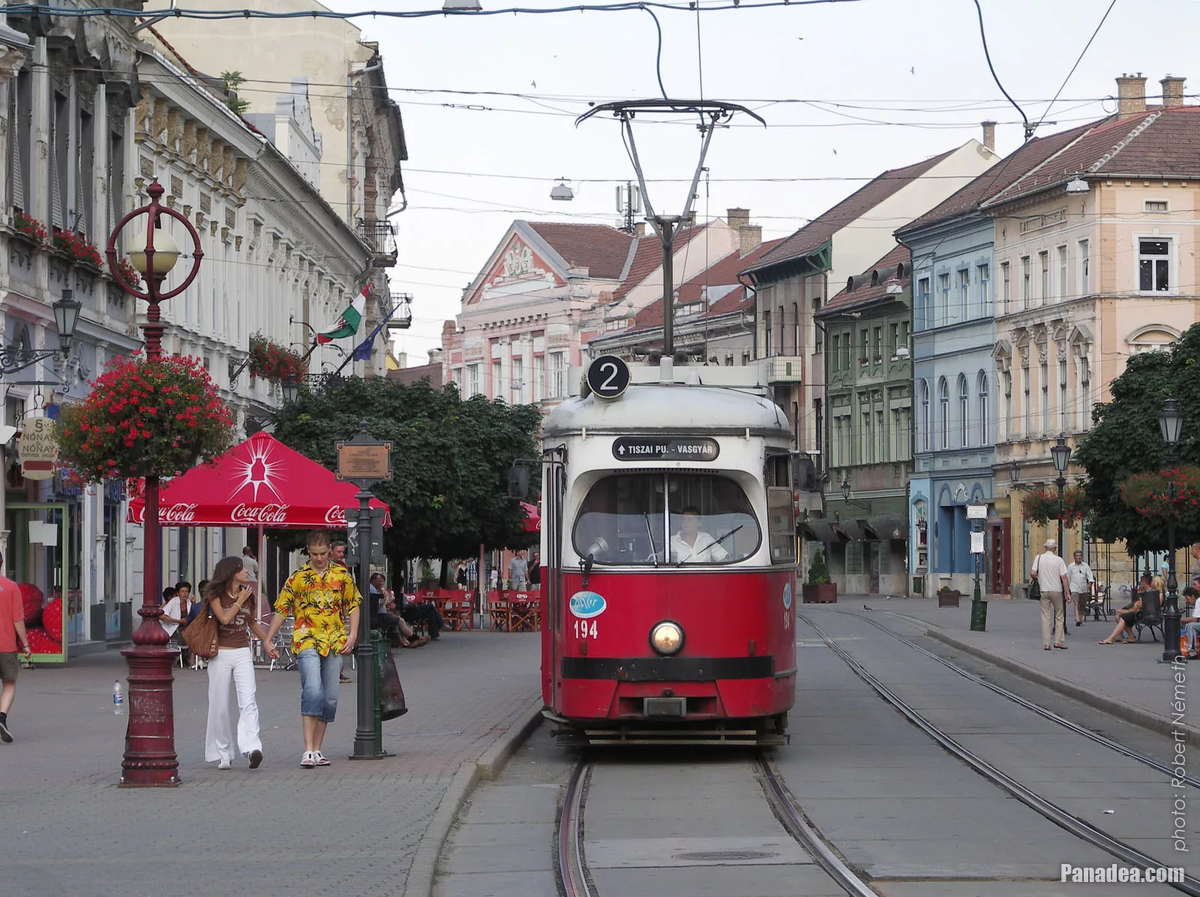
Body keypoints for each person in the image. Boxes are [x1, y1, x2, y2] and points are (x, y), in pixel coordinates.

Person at [264, 531, 361, 769]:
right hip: (306, 638)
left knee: (329, 698)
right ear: (308, 550)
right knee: (313, 690)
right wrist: (268, 639)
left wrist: (353, 634)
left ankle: (317, 749)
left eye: (322, 554)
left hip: (335, 640)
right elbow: (282, 608)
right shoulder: (297, 577)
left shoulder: (342, 575)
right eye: (314, 554)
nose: (319, 558)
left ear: (329, 550)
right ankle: (307, 750)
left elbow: (353, 604)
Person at [204, 556, 276, 770]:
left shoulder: (248, 595)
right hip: (220, 654)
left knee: (248, 700)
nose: (247, 572)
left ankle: (252, 747)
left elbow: (251, 621)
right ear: (232, 573)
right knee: (220, 705)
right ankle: (224, 753)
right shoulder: (215, 595)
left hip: (242, 652)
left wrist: (266, 641)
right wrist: (239, 600)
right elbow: (224, 619)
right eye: (242, 569)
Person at [0, 551, 30, 743]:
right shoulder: (11, 588)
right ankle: (1, 717)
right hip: (6, 645)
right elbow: (17, 619)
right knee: (9, 683)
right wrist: (26, 644)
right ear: (2, 562)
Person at [1032, 538, 1069, 651]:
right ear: (1055, 549)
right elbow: (1064, 577)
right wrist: (1068, 592)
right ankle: (1058, 641)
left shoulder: (1038, 558)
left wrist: (1040, 579)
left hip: (1044, 590)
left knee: (1045, 616)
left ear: (1045, 547)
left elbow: (1032, 573)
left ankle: (1047, 644)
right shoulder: (1058, 560)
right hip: (1056, 590)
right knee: (1059, 615)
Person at [161, 581, 196, 666]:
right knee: (186, 634)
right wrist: (178, 621)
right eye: (182, 591)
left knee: (195, 633)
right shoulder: (173, 602)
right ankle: (187, 656)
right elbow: (162, 616)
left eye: (186, 591)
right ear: (178, 593)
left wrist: (194, 605)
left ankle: (192, 658)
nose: (185, 594)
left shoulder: (189, 603)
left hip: (186, 627)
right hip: (174, 628)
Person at [1066, 551, 1095, 627]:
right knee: (1076, 603)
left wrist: (1090, 583)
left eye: (1080, 556)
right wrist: (1068, 588)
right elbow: (1068, 577)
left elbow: (1090, 575)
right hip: (1074, 587)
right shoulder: (1071, 566)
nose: (1078, 557)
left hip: (1083, 587)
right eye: (1077, 556)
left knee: (1082, 605)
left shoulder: (1085, 566)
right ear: (1074, 557)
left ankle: (1080, 618)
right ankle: (1078, 620)